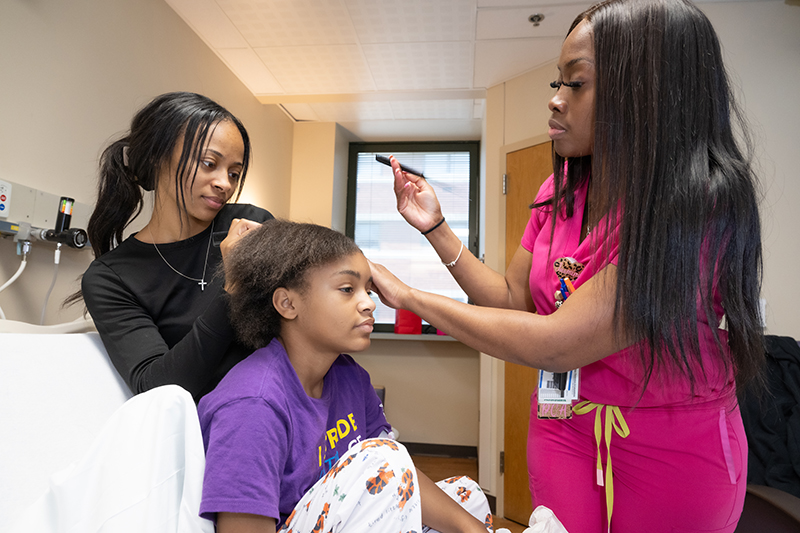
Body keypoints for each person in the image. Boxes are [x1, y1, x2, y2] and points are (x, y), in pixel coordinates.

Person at [369, 1, 764, 531]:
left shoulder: (700, 204)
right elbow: (512, 299)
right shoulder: (559, 191)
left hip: (671, 447)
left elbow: (559, 341)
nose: (555, 100)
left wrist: (411, 297)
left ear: (645, 92)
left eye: (575, 84)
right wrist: (437, 230)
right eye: (557, 82)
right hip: (563, 425)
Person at [198, 220, 494, 533]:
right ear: (287, 303)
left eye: (368, 290)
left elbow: (401, 478)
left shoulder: (350, 376)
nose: (368, 303)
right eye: (347, 289)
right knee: (385, 459)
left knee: (466, 497)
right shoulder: (253, 404)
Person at [77, 92, 273, 402]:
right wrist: (232, 289)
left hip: (283, 412)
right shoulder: (111, 278)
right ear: (157, 159)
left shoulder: (249, 225)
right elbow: (158, 389)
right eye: (210, 164)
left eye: (234, 173)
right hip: (205, 437)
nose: (225, 183)